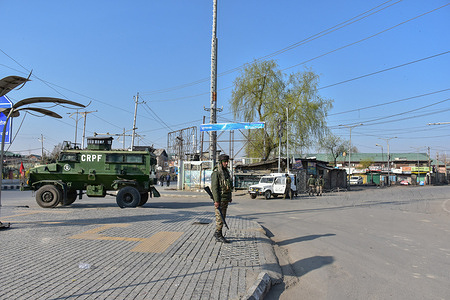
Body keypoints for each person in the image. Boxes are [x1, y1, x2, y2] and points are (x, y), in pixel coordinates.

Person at [211, 154, 233, 243]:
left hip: (225, 199)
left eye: (227, 162)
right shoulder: (217, 172)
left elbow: (228, 186)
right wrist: (216, 200)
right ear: (220, 162)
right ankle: (218, 234)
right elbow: (214, 188)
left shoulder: (225, 172)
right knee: (220, 218)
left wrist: (229, 197)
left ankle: (218, 233)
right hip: (220, 200)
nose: (226, 163)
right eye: (225, 162)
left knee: (223, 217)